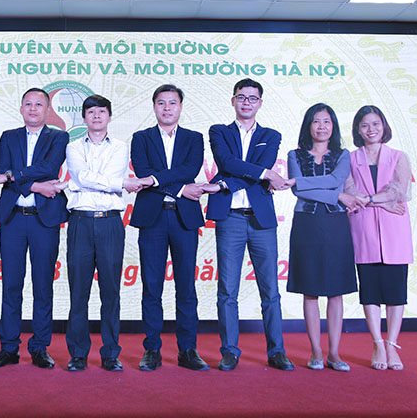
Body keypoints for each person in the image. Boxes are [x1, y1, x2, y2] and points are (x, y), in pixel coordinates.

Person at [204, 78, 295, 371]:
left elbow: (239, 171)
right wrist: (265, 174)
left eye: (252, 98)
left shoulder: (271, 135)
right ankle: (229, 351)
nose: (246, 102)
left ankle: (276, 351)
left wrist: (223, 183)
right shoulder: (218, 131)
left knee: (270, 291)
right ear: (233, 100)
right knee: (227, 290)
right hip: (230, 218)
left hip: (261, 220)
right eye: (241, 97)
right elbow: (227, 163)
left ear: (260, 103)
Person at [0, 87, 69, 369]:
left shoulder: (59, 137)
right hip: (13, 218)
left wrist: (14, 175)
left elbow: (49, 167)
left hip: (44, 219)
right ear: (21, 108)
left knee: (43, 284)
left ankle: (39, 347)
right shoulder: (8, 137)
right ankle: (9, 347)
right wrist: (34, 186)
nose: (33, 109)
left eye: (39, 104)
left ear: (47, 110)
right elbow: (2, 171)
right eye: (28, 104)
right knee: (11, 284)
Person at [130, 84, 209, 372]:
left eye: (172, 103)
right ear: (154, 106)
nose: (166, 108)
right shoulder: (141, 138)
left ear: (180, 107)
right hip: (152, 219)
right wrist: (179, 189)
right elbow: (143, 172)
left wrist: (157, 181)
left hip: (183, 219)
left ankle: (188, 349)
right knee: (152, 286)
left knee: (186, 286)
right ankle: (152, 349)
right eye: (161, 102)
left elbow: (189, 170)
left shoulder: (194, 138)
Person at [64, 94, 144, 372]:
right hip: (80, 222)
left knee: (111, 291)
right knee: (78, 292)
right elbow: (81, 176)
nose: (96, 116)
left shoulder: (121, 147)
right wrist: (119, 183)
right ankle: (78, 354)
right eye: (91, 112)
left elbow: (87, 180)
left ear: (109, 116)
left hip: (110, 223)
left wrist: (82, 183)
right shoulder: (72, 147)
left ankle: (111, 353)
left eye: (101, 111)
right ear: (84, 117)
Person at [286, 103, 359, 372]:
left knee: (336, 291)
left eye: (326, 121)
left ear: (333, 126)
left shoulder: (342, 155)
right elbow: (299, 193)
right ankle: (316, 351)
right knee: (310, 289)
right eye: (316, 121)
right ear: (308, 125)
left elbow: (333, 179)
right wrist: (339, 196)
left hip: (336, 224)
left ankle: (334, 353)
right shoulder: (294, 155)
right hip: (306, 224)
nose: (321, 126)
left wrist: (301, 182)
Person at [345, 105, 413, 371]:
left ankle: (392, 345)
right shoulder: (350, 159)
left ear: (384, 126)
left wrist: (371, 200)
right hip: (364, 229)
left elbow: (400, 191)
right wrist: (381, 202)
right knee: (370, 291)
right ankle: (377, 343)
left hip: (394, 230)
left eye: (375, 124)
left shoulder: (399, 157)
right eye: (365, 125)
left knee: (396, 293)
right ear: (357, 130)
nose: (371, 129)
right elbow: (350, 192)